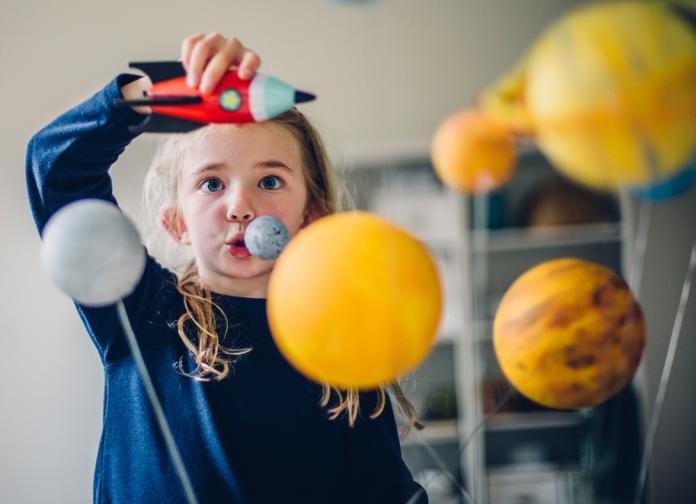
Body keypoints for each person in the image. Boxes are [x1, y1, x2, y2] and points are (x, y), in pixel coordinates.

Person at [26, 33, 427, 503]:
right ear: (177, 222)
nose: (241, 206)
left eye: (270, 180)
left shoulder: (344, 350)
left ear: (310, 215)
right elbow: (55, 170)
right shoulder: (143, 312)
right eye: (212, 183)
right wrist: (156, 94)